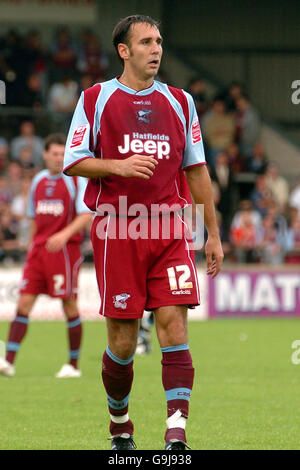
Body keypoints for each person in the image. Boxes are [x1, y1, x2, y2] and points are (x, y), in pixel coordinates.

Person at [63, 15, 223, 450]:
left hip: (172, 227)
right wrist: (117, 165)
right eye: (147, 42)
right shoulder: (95, 99)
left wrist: (212, 232)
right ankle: (120, 427)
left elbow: (197, 168)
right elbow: (73, 159)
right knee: (122, 341)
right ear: (124, 50)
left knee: (173, 325)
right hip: (117, 229)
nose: (157, 49)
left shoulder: (180, 101)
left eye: (160, 42)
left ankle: (176, 435)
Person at [0, 133, 92, 379]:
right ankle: (8, 362)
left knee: (68, 304)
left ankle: (73, 364)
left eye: (63, 154)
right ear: (45, 154)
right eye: (55, 154)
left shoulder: (75, 180)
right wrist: (31, 245)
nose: (59, 158)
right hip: (39, 252)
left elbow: (86, 215)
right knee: (23, 304)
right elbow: (33, 217)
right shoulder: (38, 181)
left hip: (64, 252)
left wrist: (64, 234)